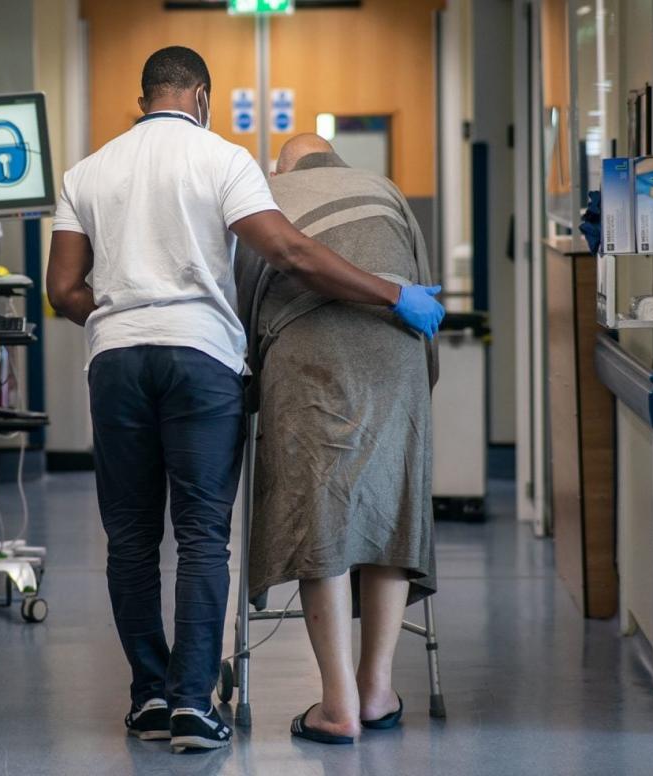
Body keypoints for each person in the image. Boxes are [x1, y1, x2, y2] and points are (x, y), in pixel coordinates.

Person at [46, 47, 444, 752]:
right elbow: (289, 253)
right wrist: (391, 293)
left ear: (143, 98)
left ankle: (148, 698)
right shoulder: (223, 160)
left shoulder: (86, 172)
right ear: (199, 95)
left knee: (133, 537)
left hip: (116, 361)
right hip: (200, 358)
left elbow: (63, 290)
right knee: (202, 533)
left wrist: (121, 313)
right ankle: (193, 706)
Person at [235, 134, 439, 745]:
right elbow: (421, 290)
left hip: (306, 360)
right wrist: (417, 390)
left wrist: (251, 385)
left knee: (316, 510)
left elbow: (243, 304)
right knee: (390, 510)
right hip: (397, 358)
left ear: (283, 165)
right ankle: (377, 690)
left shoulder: (265, 195)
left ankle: (338, 703)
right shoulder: (388, 191)